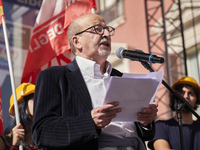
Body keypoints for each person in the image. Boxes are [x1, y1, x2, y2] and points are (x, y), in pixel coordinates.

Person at [31, 13, 158, 150]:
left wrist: (146, 122)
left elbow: (144, 133)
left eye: (108, 29)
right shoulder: (54, 76)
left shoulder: (121, 77)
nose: (106, 34)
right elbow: (42, 132)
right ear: (77, 41)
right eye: (97, 29)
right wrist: (90, 122)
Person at [148, 76, 200, 150]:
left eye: (191, 94)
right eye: (181, 93)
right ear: (174, 100)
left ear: (196, 101)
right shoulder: (161, 126)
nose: (186, 96)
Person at [0, 83, 43, 150]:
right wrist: (14, 146)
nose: (40, 103)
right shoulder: (4, 142)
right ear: (21, 103)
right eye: (36, 98)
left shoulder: (47, 137)